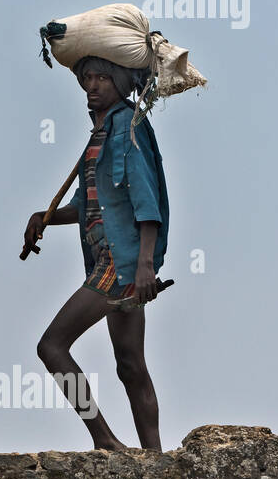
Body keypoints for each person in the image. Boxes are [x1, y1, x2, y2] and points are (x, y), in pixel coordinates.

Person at [22, 56, 170, 451]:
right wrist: (45, 217)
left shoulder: (128, 127)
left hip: (118, 265)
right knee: (130, 364)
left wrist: (144, 267)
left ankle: (104, 439)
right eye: (87, 78)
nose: (92, 86)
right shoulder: (99, 136)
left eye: (103, 78)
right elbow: (89, 206)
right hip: (114, 262)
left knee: (51, 346)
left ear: (121, 83)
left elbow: (146, 200)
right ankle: (155, 461)